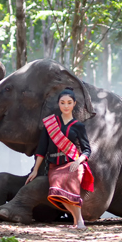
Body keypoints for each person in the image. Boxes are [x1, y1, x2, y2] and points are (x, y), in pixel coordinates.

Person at [25, 87, 94, 229]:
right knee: (58, 187)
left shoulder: (78, 126)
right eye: (63, 103)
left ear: (74, 104)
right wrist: (35, 170)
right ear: (58, 104)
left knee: (72, 181)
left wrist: (79, 161)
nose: (66, 106)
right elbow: (42, 149)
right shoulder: (50, 124)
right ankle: (77, 221)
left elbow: (87, 150)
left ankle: (79, 221)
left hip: (74, 163)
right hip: (55, 166)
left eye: (69, 102)